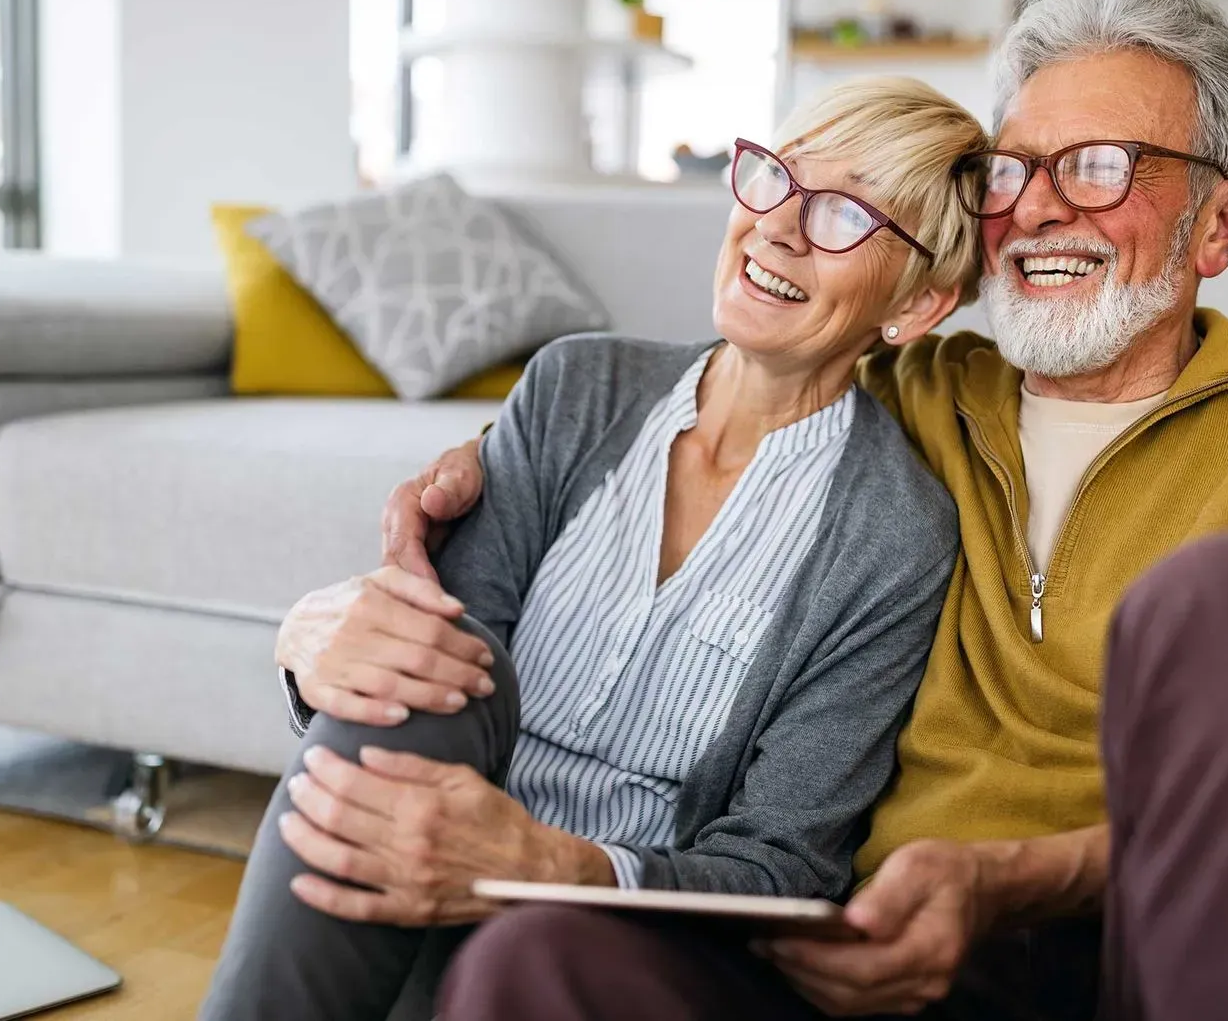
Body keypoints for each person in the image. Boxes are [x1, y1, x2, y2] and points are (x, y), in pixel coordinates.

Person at [384, 0, 1228, 1021]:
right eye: (1011, 169)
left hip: (1150, 947)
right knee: (540, 962)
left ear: (1220, 224)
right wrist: (489, 456)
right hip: (859, 955)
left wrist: (1004, 876)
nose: (1037, 209)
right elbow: (724, 372)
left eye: (1097, 166)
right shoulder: (912, 391)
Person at [199, 77, 987, 1020]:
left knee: (527, 950)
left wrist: (546, 867)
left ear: (914, 306)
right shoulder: (577, 385)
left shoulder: (894, 536)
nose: (778, 227)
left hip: (608, 941)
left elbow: (779, 862)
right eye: (774, 179)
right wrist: (329, 643)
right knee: (438, 660)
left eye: (845, 214)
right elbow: (425, 676)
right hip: (413, 870)